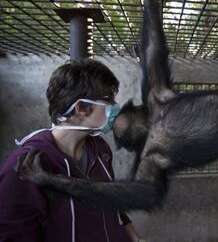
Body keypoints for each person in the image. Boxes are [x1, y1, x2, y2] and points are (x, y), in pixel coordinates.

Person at [0, 59, 143, 242]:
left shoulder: (100, 149)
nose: (115, 106)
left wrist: (137, 239)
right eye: (108, 99)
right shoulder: (26, 165)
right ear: (81, 108)